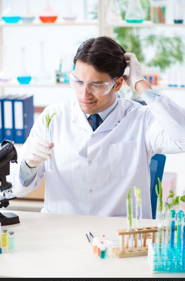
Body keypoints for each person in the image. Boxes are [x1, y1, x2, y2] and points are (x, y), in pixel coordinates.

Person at [14, 36, 185, 218]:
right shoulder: (53, 117)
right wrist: (28, 164)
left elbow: (181, 138)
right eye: (78, 82)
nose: (84, 94)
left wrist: (141, 85)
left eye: (96, 85)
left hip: (121, 237)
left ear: (118, 84)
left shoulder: (141, 118)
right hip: (62, 230)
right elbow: (19, 189)